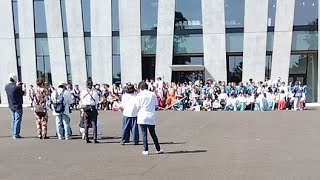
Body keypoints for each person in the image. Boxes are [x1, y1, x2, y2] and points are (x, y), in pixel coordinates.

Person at [135, 81, 163, 155]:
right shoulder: (152, 94)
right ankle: (158, 149)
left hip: (142, 116)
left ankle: (146, 149)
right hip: (151, 116)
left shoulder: (139, 95)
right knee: (153, 133)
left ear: (140, 88)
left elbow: (137, 106)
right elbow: (156, 105)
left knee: (144, 134)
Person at [5, 73, 26, 139]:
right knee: (17, 120)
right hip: (18, 106)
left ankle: (14, 132)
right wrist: (24, 87)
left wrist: (18, 86)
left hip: (11, 105)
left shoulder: (6, 86)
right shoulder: (17, 87)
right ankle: (16, 134)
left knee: (13, 120)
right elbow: (24, 94)